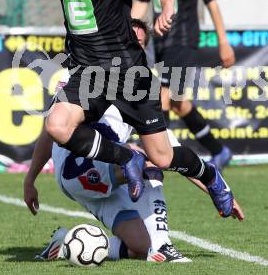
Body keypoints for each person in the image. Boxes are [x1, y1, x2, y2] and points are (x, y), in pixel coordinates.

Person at [0, 0, 234, 217]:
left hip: (129, 74)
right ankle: (126, 158)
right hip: (87, 72)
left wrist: (168, 5)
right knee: (58, 125)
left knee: (162, 157)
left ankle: (210, 175)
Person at [32, 20, 243, 263]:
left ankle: (67, 243)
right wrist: (31, 179)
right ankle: (163, 245)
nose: (130, 46)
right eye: (127, 39)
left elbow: (172, 154)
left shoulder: (141, 88)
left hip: (110, 173)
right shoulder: (86, 74)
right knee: (147, 162)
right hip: (77, 169)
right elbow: (51, 128)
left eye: (138, 43)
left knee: (140, 247)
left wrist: (217, 190)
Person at [132, 0, 235, 171]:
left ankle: (157, 159)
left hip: (185, 41)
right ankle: (218, 150)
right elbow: (141, 3)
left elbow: (211, 2)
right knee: (178, 102)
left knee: (163, 97)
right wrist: (128, 34)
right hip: (162, 44)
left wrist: (223, 41)